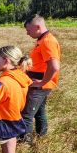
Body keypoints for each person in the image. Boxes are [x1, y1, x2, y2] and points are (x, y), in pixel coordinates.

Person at [19, 14, 61, 144]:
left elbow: (54, 67)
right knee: (39, 111)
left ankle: (25, 142)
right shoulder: (42, 40)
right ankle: (41, 137)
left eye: (28, 30)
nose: (27, 33)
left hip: (40, 84)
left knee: (26, 114)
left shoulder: (47, 41)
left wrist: (42, 82)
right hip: (41, 83)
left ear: (37, 27)